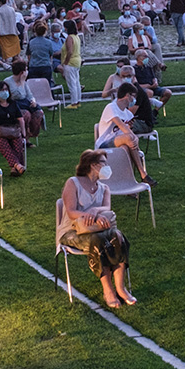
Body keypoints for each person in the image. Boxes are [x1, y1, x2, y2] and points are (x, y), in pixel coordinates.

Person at [60, 150, 135, 307]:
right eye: (104, 163)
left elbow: (106, 207)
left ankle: (121, 289)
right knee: (100, 241)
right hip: (72, 232)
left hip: (98, 230)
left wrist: (95, 211)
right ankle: (108, 290)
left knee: (117, 236)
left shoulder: (104, 188)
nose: (107, 167)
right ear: (93, 165)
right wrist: (91, 215)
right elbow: (71, 211)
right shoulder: (73, 183)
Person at [95, 82, 151, 183]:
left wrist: (129, 127)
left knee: (127, 148)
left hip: (119, 142)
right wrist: (134, 138)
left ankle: (128, 181)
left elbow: (123, 131)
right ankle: (143, 174)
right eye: (133, 96)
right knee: (129, 138)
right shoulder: (111, 107)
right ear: (127, 95)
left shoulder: (128, 114)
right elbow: (120, 125)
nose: (134, 100)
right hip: (105, 143)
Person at [0, 76, 31, 175]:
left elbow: (20, 119)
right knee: (5, 146)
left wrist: (23, 134)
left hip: (13, 130)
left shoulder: (13, 103)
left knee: (18, 145)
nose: (4, 92)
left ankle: (15, 168)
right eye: (2, 90)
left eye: (6, 90)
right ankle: (18, 165)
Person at [0, 0, 23, 66]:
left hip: (3, 31)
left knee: (4, 47)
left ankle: (5, 60)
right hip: (12, 30)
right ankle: (16, 57)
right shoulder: (11, 9)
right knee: (15, 45)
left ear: (0, 2)